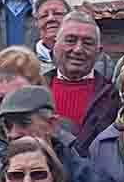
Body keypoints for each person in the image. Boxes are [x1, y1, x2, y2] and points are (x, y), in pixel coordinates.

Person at [47, 8, 120, 139]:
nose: (78, 49)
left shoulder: (113, 97)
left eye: (87, 43)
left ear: (99, 52)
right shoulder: (36, 89)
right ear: (55, 45)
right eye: (70, 40)